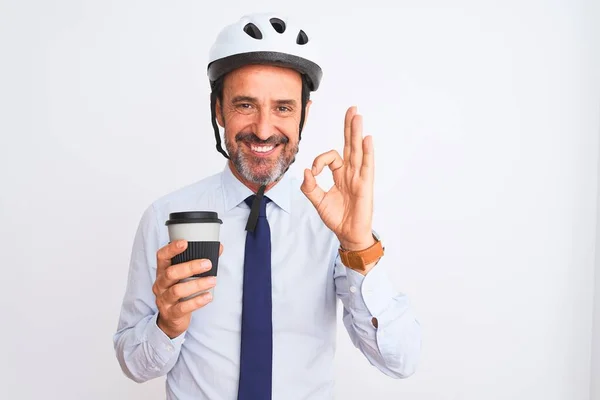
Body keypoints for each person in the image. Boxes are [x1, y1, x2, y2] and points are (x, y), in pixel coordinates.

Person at [113, 12, 421, 400]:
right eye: (245, 105)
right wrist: (167, 325)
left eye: (283, 108)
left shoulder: (334, 225)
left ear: (304, 115)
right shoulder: (166, 217)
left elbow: (402, 360)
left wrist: (359, 246)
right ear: (218, 110)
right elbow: (132, 363)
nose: (262, 128)